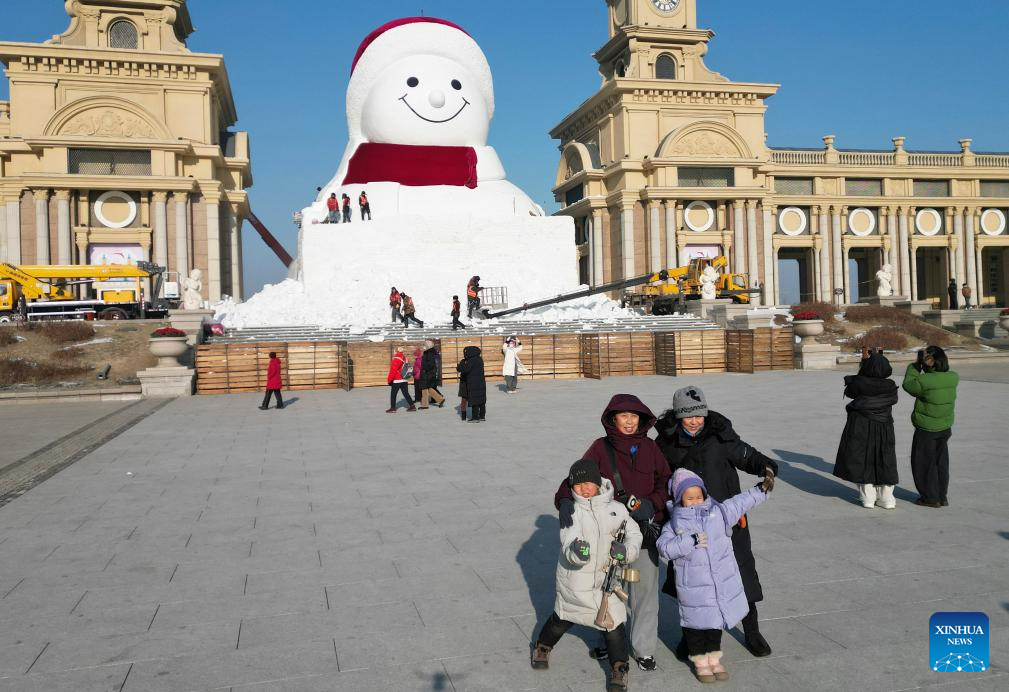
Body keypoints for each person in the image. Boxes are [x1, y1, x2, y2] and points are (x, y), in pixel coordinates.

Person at [654, 386, 778, 659]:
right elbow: (658, 478)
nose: (695, 421)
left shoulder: (720, 436)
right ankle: (692, 638)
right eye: (688, 416)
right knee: (690, 587)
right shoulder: (665, 443)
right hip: (687, 525)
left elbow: (747, 455)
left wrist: (766, 467)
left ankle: (752, 631)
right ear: (678, 416)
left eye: (699, 415)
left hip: (726, 520)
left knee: (741, 574)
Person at [554, 395, 671, 672]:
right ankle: (609, 639)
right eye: (623, 416)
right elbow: (576, 477)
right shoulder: (600, 448)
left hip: (642, 532)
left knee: (644, 594)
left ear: (641, 419)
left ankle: (643, 649)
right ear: (613, 419)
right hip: (607, 535)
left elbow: (666, 481)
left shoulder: (651, 447)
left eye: (634, 416)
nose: (629, 421)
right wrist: (565, 500)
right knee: (606, 588)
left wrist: (651, 504)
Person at [531, 459, 642, 691]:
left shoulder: (617, 508)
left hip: (607, 581)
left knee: (615, 628)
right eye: (578, 484)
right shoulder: (571, 510)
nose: (584, 488)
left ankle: (619, 669)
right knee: (562, 619)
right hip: (577, 582)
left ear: (598, 483)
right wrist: (577, 552)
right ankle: (543, 645)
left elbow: (634, 533)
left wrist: (626, 552)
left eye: (588, 483)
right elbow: (567, 542)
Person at [657, 468, 772, 683]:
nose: (695, 501)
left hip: (717, 586)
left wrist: (762, 490)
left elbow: (740, 502)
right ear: (680, 498)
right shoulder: (675, 523)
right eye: (689, 498)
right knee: (695, 629)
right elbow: (664, 548)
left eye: (698, 496)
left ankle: (714, 659)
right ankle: (701, 663)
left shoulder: (717, 512)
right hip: (693, 591)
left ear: (704, 494)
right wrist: (689, 541)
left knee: (714, 627)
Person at [832, 349, 899, 509]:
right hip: (884, 426)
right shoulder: (890, 386)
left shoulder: (860, 383)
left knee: (861, 458)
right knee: (885, 458)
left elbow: (850, 391)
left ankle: (868, 497)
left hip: (861, 424)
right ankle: (887, 498)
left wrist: (862, 369)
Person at [903, 346, 959, 507]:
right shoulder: (953, 377)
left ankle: (930, 498)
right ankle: (942, 496)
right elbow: (936, 380)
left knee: (924, 464)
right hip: (945, 427)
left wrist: (915, 366)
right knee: (940, 463)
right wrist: (927, 366)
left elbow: (908, 385)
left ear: (930, 362)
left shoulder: (923, 381)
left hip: (927, 428)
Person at [456, 346, 486, 421]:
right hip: (481, 382)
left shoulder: (471, 360)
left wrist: (459, 367)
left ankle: (475, 417)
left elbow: (466, 370)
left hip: (473, 383)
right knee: (481, 400)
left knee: (475, 400)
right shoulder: (479, 359)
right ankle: (482, 416)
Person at [385, 346, 416, 413]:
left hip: (397, 379)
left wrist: (389, 380)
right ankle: (412, 406)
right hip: (404, 378)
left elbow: (393, 371)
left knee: (393, 394)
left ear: (396, 351)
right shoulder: (405, 358)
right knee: (405, 393)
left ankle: (393, 408)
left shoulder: (396, 359)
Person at [418, 340, 446, 409]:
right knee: (429, 388)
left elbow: (430, 364)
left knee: (424, 388)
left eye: (425, 345)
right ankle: (440, 399)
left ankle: (425, 405)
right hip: (428, 373)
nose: (423, 346)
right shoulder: (429, 352)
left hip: (427, 373)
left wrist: (424, 369)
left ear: (428, 346)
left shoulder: (429, 353)